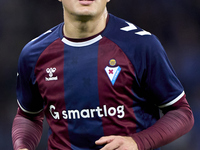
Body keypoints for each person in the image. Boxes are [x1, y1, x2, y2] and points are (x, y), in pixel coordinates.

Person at [12, 0, 194, 150]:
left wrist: (137, 142)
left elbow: (181, 113)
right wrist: (22, 146)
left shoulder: (141, 45)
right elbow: (28, 115)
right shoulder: (34, 54)